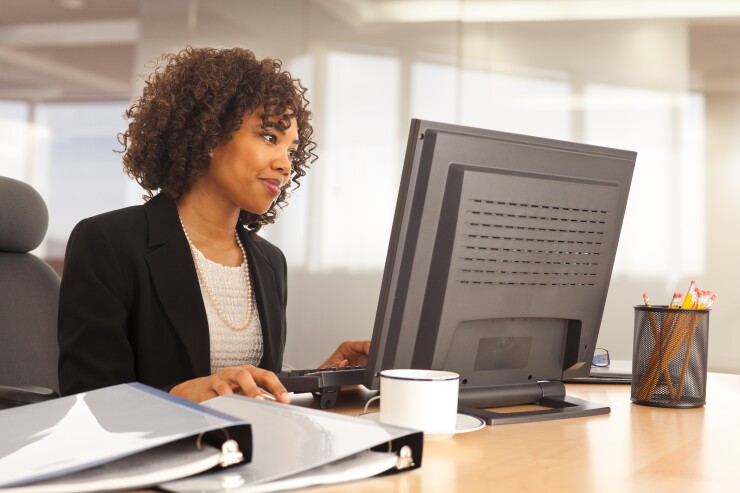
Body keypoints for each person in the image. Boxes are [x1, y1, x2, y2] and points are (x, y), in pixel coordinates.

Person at [57, 46, 370, 403]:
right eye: (269, 137)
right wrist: (180, 396)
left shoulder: (269, 262)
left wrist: (321, 381)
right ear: (208, 134)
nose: (286, 164)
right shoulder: (107, 243)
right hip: (159, 456)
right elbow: (86, 400)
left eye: (292, 150)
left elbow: (253, 391)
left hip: (248, 454)